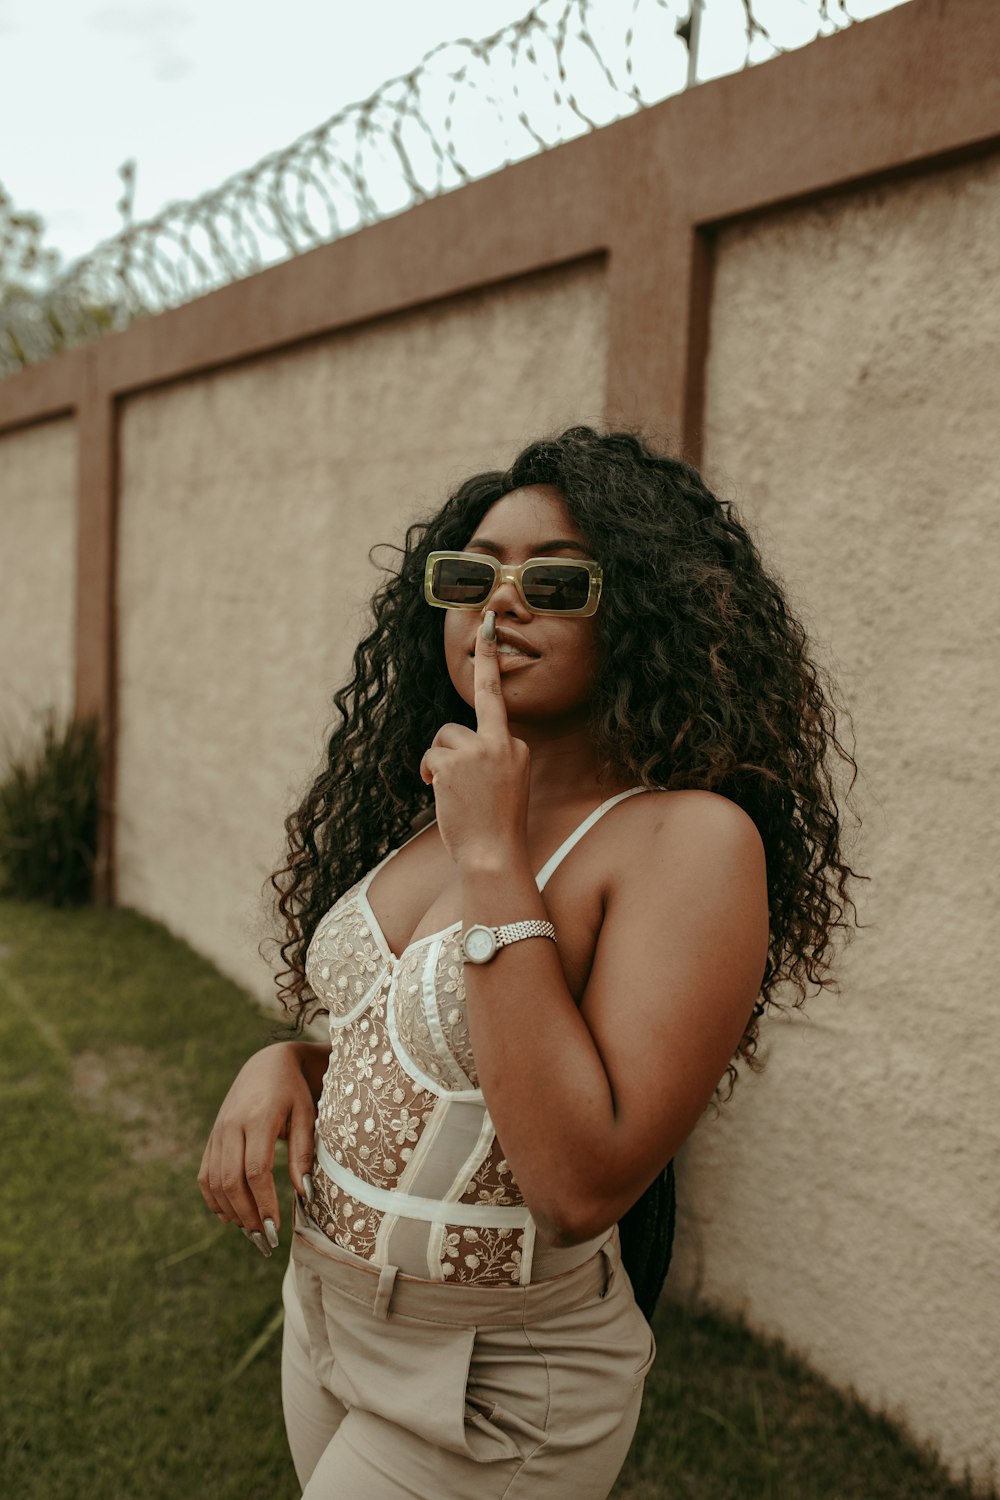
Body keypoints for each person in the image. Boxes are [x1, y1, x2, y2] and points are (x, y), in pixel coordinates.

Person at [198, 425, 864, 1498]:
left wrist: (493, 851)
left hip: (496, 1383)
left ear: (645, 610)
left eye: (555, 584)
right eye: (471, 577)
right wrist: (290, 1063)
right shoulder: (434, 813)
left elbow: (577, 1179)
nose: (499, 604)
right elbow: (446, 1063)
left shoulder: (683, 841)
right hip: (317, 1316)